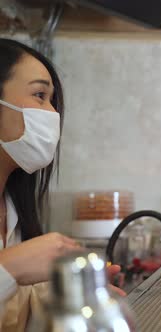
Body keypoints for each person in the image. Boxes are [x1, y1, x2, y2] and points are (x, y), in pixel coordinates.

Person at [0, 38, 124, 330]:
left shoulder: (17, 214)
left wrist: (69, 300)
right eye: (39, 95)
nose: (53, 115)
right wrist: (10, 267)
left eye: (52, 101)